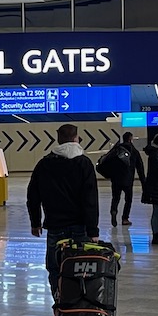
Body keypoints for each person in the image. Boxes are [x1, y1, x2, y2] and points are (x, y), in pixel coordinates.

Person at [27, 124, 100, 290]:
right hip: (80, 226)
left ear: (58, 139)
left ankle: (58, 301)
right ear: (76, 138)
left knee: (55, 268)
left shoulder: (44, 163)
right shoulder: (84, 163)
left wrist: (35, 222)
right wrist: (93, 230)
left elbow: (33, 195)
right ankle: (77, 300)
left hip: (55, 226)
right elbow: (90, 198)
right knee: (80, 266)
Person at [98, 131, 145, 226]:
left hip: (116, 179)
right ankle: (125, 218)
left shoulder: (116, 149)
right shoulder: (134, 151)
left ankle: (114, 210)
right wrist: (143, 182)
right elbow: (140, 167)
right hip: (128, 180)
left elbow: (106, 160)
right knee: (128, 199)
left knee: (115, 198)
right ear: (130, 139)